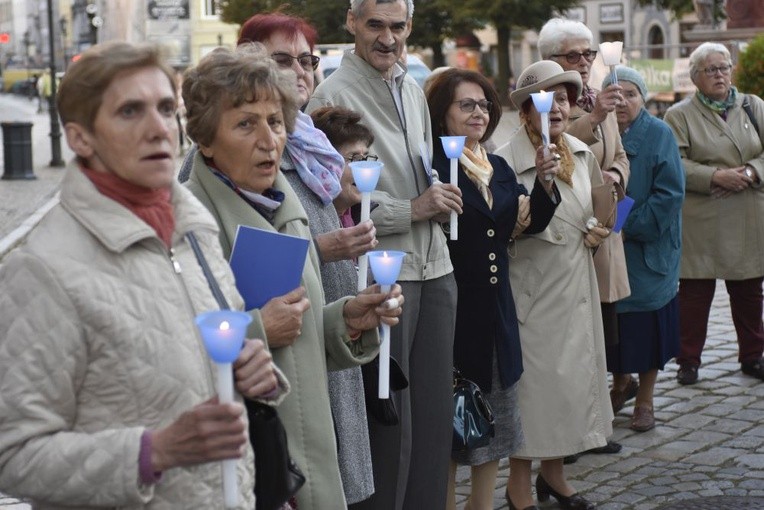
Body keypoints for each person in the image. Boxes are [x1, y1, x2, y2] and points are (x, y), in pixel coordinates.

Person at [0, 41, 287, 509]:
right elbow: (13, 454)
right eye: (130, 111)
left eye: (165, 108)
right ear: (80, 138)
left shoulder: (194, 229)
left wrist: (252, 370)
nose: (158, 128)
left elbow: (199, 364)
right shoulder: (41, 268)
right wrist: (154, 451)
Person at [182, 44, 404, 510]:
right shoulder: (189, 224)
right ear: (204, 139)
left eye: (276, 122)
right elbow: (172, 358)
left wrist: (348, 320)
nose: (269, 140)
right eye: (246, 123)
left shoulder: (286, 207)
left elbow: (296, 337)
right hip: (243, 469)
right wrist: (261, 329)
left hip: (303, 452)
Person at [306, 1, 462, 508]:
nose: (388, 38)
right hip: (378, 272)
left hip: (436, 265)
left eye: (398, 27)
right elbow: (333, 194)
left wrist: (439, 193)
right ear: (351, 23)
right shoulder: (330, 96)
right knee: (389, 423)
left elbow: (417, 168)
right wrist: (413, 209)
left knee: (435, 422)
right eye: (375, 25)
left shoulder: (412, 88)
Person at [236, 14, 380, 505]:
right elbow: (248, 273)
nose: (300, 70)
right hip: (282, 355)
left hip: (329, 332)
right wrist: (325, 248)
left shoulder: (314, 147)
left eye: (307, 60)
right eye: (282, 60)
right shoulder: (240, 157)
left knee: (335, 477)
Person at [427, 68, 560, 510]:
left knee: (495, 429)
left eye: (484, 104)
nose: (479, 112)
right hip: (451, 312)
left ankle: (481, 506)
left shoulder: (497, 166)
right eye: (466, 104)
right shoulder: (430, 167)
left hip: (497, 314)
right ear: (441, 112)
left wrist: (544, 182)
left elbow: (527, 223)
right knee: (449, 433)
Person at [495, 59, 613, 510]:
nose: (558, 107)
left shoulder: (579, 155)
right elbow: (502, 226)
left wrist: (599, 227)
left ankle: (555, 475)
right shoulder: (505, 160)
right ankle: (517, 485)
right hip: (532, 293)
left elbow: (596, 208)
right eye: (546, 100)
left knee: (567, 388)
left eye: (563, 98)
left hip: (574, 290)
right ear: (526, 112)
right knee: (533, 393)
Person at [538, 18, 631, 460]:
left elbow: (620, 155)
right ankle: (565, 435)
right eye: (573, 55)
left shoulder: (598, 97)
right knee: (567, 344)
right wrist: (593, 118)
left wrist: (615, 174)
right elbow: (548, 146)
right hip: (567, 236)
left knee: (600, 340)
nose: (584, 62)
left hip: (604, 228)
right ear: (549, 58)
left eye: (588, 54)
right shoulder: (542, 98)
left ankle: (594, 426)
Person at [663, 42, 764, 385]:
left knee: (750, 290)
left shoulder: (753, 105)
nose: (720, 74)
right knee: (694, 293)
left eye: (724, 67)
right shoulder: (679, 115)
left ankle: (753, 356)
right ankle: (688, 361)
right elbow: (673, 162)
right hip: (702, 215)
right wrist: (714, 176)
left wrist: (750, 172)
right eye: (711, 69)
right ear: (695, 77)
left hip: (746, 211)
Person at [601, 66, 685, 431]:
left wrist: (621, 223)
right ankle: (621, 385)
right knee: (613, 324)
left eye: (630, 94)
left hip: (647, 248)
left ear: (643, 98)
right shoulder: (600, 132)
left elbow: (669, 194)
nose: (622, 102)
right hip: (606, 248)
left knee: (648, 325)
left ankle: (646, 400)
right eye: (615, 95)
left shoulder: (659, 133)